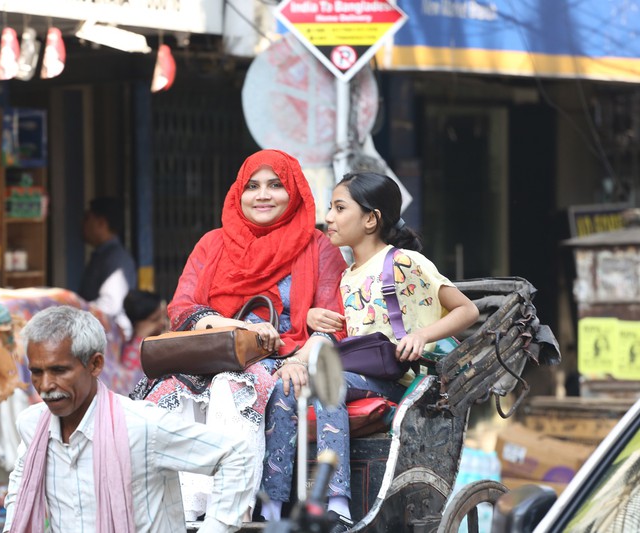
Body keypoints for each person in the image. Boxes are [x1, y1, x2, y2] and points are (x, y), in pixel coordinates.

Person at [134, 149, 348, 520]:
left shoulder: (318, 247)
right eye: (252, 186)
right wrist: (242, 329)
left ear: (295, 191)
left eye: (275, 185)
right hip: (210, 355)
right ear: (238, 193)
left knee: (232, 388)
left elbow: (334, 326)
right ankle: (180, 511)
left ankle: (230, 511)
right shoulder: (213, 244)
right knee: (165, 394)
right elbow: (183, 310)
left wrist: (296, 362)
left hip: (284, 358)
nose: (262, 195)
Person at [261, 172, 480, 531]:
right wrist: (313, 317)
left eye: (339, 208)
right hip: (356, 375)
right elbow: (344, 335)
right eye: (330, 208)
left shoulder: (404, 262)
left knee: (328, 384)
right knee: (284, 388)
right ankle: (272, 507)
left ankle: (337, 504)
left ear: (370, 219)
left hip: (399, 380)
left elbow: (466, 310)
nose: (328, 217)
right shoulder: (346, 276)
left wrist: (421, 335)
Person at [2, 305, 256, 533]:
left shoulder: (141, 425)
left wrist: (216, 526)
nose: (45, 385)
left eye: (59, 370)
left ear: (95, 365)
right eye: (37, 372)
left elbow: (236, 456)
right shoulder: (34, 427)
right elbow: (20, 486)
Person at [79, 196, 137, 340]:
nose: (82, 224)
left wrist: (73, 313)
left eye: (87, 218)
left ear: (101, 223)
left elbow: (110, 305)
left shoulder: (116, 259)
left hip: (109, 338)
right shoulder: (103, 255)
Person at [121, 289, 167, 371]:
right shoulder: (140, 352)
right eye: (156, 319)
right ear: (139, 322)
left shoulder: (127, 347)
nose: (163, 322)